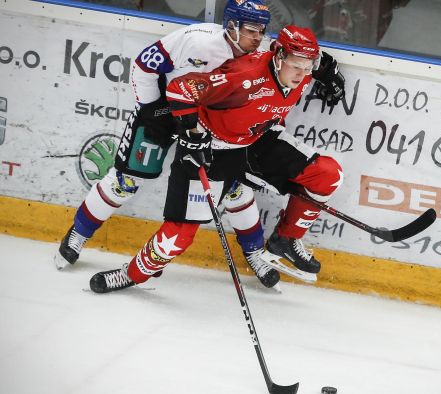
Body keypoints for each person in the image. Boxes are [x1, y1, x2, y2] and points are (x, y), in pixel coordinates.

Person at [88, 24, 346, 293]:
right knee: (180, 234)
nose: (303, 74)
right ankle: (131, 274)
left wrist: (333, 75)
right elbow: (180, 90)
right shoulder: (244, 76)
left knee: (328, 175)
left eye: (308, 67)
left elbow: (321, 64)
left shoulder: (303, 67)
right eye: (297, 66)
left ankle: (286, 240)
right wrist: (192, 133)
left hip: (257, 141)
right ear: (278, 55)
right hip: (212, 148)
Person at [55, 0, 285, 288]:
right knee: (124, 181)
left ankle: (254, 253)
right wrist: (150, 108)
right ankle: (78, 233)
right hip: (164, 114)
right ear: (231, 26)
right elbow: (144, 64)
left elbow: (290, 62)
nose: (258, 37)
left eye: (262, 30)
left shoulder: (261, 54)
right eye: (252, 29)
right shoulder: (197, 41)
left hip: (210, 126)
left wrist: (323, 68)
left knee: (235, 189)